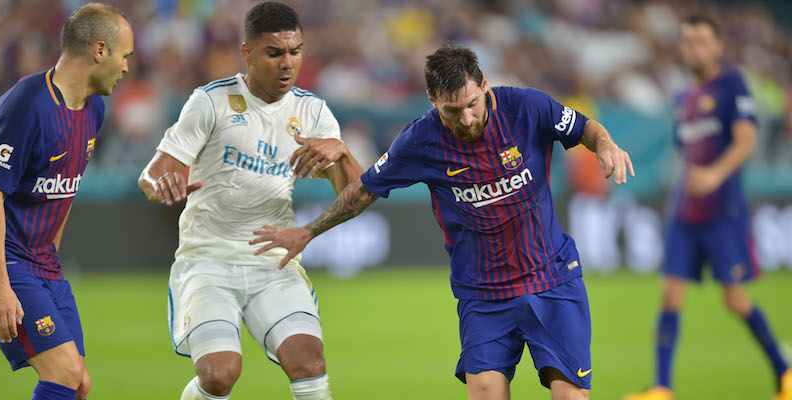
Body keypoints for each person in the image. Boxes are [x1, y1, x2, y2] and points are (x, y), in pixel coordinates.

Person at [252, 44, 635, 400]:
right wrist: (307, 231)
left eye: (473, 104)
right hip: (483, 295)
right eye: (453, 111)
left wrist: (605, 145)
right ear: (433, 101)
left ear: (484, 85)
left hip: (551, 278)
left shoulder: (527, 107)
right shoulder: (420, 140)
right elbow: (363, 190)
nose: (467, 118)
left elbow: (585, 127)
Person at [137, 3, 361, 400]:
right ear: (247, 53)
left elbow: (357, 196)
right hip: (208, 259)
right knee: (220, 375)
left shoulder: (313, 111)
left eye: (295, 51)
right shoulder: (211, 102)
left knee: (308, 362)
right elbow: (151, 175)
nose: (287, 63)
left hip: (271, 259)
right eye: (274, 53)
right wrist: (163, 185)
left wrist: (341, 152)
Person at [625, 15, 791, 400]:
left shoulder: (732, 84)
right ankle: (662, 387)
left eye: (702, 41)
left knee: (735, 299)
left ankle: (784, 373)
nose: (694, 49)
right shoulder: (683, 97)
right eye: (688, 42)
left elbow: (745, 140)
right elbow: (685, 152)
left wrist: (715, 175)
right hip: (685, 211)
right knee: (670, 294)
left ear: (717, 46)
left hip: (722, 211)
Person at [0, 4, 132, 400]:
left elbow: (65, 188)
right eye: (125, 56)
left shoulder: (94, 110)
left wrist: (51, 259)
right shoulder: (28, 103)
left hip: (43, 264)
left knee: (79, 384)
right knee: (65, 374)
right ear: (100, 51)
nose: (126, 68)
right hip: (6, 259)